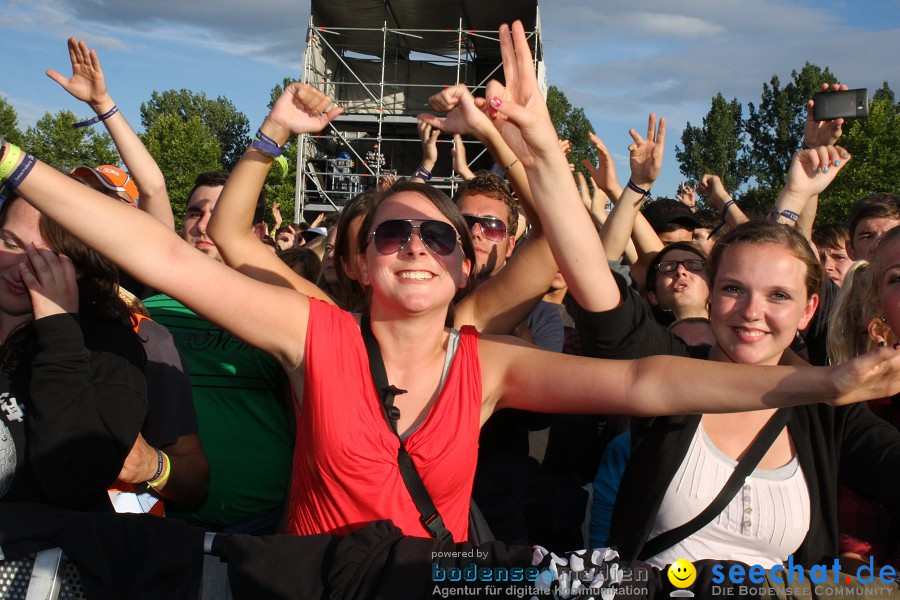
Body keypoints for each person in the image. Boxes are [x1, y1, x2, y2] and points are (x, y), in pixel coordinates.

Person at [4, 22, 900, 544]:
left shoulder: (488, 365)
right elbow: (164, 252)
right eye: (391, 229)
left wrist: (823, 383)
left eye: (440, 233)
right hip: (311, 584)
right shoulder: (311, 331)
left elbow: (645, 379)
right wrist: (13, 161)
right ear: (356, 261)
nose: (419, 244)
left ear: (468, 261)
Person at [144, 170, 292, 534]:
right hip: (155, 521)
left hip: (264, 527)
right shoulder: (143, 312)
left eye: (222, 212)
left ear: (256, 232)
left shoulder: (284, 312)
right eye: (195, 213)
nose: (204, 224)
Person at [0, 192, 146, 510]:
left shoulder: (109, 349)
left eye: (45, 259)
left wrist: (59, 334)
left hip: (36, 554)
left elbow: (73, 480)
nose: (19, 269)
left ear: (78, 268)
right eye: (10, 243)